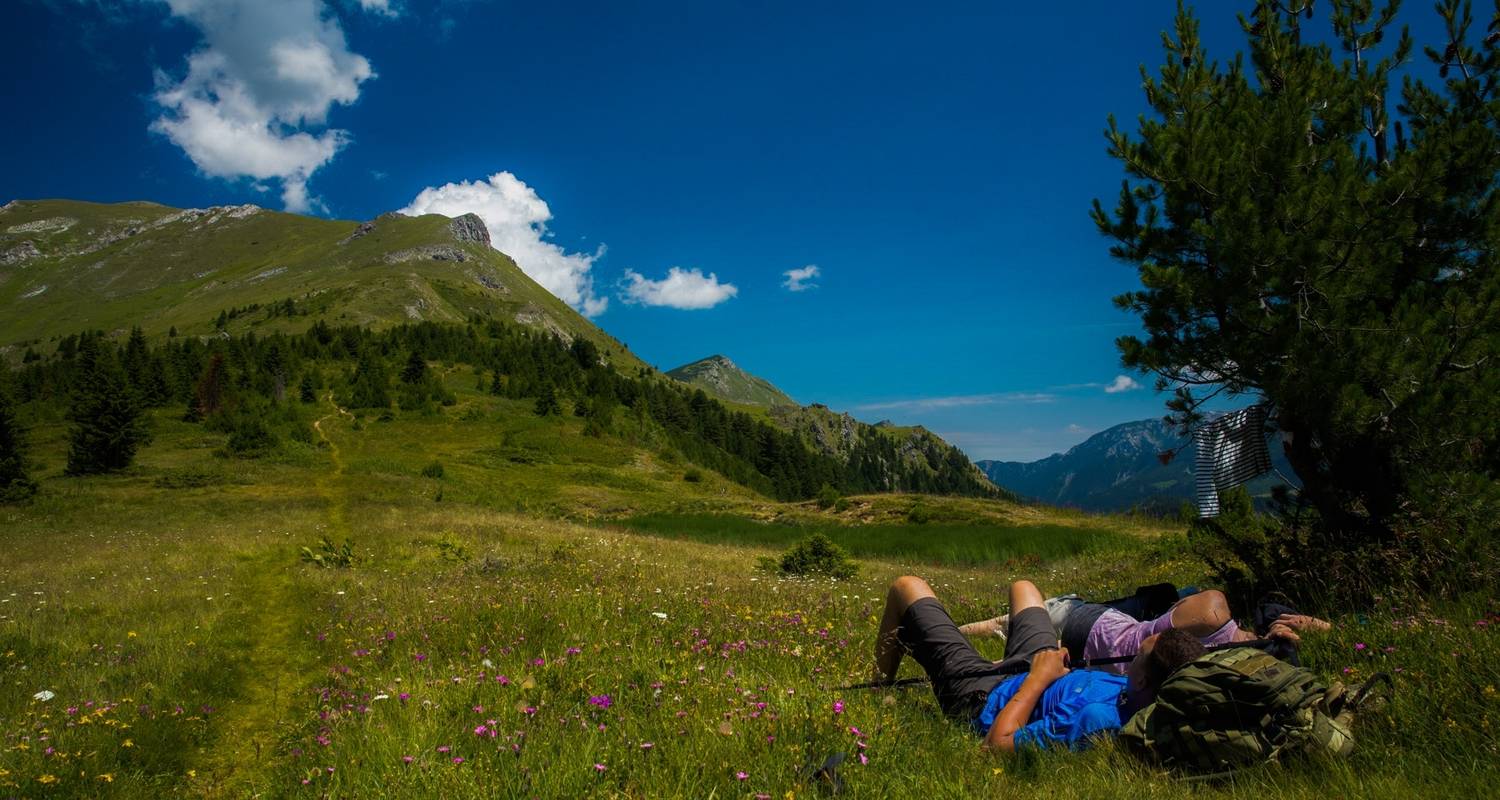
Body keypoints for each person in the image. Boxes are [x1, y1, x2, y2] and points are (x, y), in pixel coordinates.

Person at [874, 575, 1205, 753]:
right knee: (1024, 589)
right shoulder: (1136, 692)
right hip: (1036, 671)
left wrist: (1038, 678)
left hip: (983, 698)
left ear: (1145, 681)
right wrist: (1060, 669)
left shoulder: (1097, 721)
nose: (1130, 663)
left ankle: (880, 685)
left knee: (906, 587)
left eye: (1137, 659)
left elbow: (997, 745)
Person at [957, 585, 1323, 672]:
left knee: (1026, 611)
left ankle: (960, 630)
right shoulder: (1229, 668)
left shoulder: (1213, 609)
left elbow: (1181, 604)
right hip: (1101, 666)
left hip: (1096, 627)